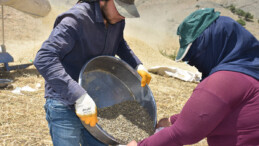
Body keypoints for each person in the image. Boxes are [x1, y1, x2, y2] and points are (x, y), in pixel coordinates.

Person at [127, 8, 259, 146]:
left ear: (213, 43)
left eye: (193, 54)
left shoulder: (224, 81)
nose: (190, 62)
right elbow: (209, 112)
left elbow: (180, 134)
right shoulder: (248, 71)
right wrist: (171, 120)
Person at [34, 0, 151, 145]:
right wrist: (79, 96)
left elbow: (119, 42)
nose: (123, 15)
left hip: (97, 103)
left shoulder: (116, 20)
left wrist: (137, 64)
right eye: (120, 8)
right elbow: (44, 58)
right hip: (65, 103)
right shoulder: (76, 20)